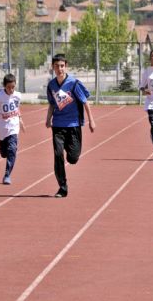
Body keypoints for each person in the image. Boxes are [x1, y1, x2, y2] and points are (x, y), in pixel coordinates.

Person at [46, 54, 96, 198]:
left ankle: (71, 151)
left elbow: (85, 101)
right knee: (57, 155)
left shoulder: (73, 83)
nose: (59, 68)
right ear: (53, 67)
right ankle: (62, 187)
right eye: (56, 66)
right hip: (58, 125)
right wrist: (48, 118)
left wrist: (91, 121)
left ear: (65, 66)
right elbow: (51, 104)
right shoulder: (51, 85)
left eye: (62, 66)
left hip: (73, 124)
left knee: (73, 158)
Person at [0, 73, 25, 185]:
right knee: (4, 153)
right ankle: (4, 151)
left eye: (13, 87)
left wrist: (20, 119)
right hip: (1, 129)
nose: (11, 90)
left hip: (13, 127)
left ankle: (7, 175)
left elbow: (17, 108)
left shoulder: (18, 95)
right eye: (8, 87)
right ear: (4, 86)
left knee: (12, 150)